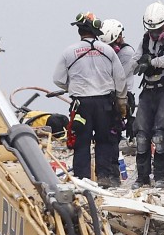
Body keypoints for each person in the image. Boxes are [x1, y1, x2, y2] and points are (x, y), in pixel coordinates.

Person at [52, 12, 126, 186]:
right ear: (96, 31)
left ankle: (82, 180)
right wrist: (122, 102)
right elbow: (120, 79)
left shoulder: (69, 52)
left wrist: (73, 87)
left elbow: (58, 79)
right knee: (104, 140)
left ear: (79, 31)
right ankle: (105, 177)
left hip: (81, 105)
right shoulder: (107, 50)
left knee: (82, 143)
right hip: (105, 103)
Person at [132, 2, 164, 188]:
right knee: (141, 136)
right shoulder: (145, 40)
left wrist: (152, 62)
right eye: (151, 30)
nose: (154, 33)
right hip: (148, 90)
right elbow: (134, 60)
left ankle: (160, 176)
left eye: (157, 29)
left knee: (160, 136)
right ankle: (142, 177)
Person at [100, 19, 137, 140]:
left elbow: (118, 78)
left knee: (114, 130)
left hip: (123, 96)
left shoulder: (126, 53)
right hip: (109, 94)